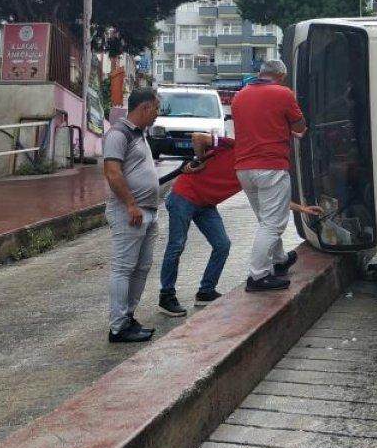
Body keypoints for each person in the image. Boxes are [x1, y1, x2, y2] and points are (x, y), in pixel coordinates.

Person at [157, 132, 325, 316]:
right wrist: (199, 160)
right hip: (183, 196)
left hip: (206, 204)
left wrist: (302, 209)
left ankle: (206, 291)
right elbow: (198, 137)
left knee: (222, 245)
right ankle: (166, 296)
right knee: (176, 245)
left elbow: (272, 200)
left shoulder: (254, 171)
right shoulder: (235, 145)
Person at [231, 59, 307, 292]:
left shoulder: (239, 96)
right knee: (273, 224)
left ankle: (280, 259)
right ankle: (258, 276)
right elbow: (300, 126)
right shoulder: (283, 94)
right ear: (281, 76)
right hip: (271, 167)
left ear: (261, 73)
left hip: (244, 168)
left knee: (266, 220)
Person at [102, 87, 161, 343]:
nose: (157, 114)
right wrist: (130, 204)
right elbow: (113, 173)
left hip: (147, 211)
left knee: (142, 267)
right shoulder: (118, 133)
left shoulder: (140, 134)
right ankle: (118, 327)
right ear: (145, 107)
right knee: (124, 268)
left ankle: (128, 316)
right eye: (156, 108)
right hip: (130, 211)